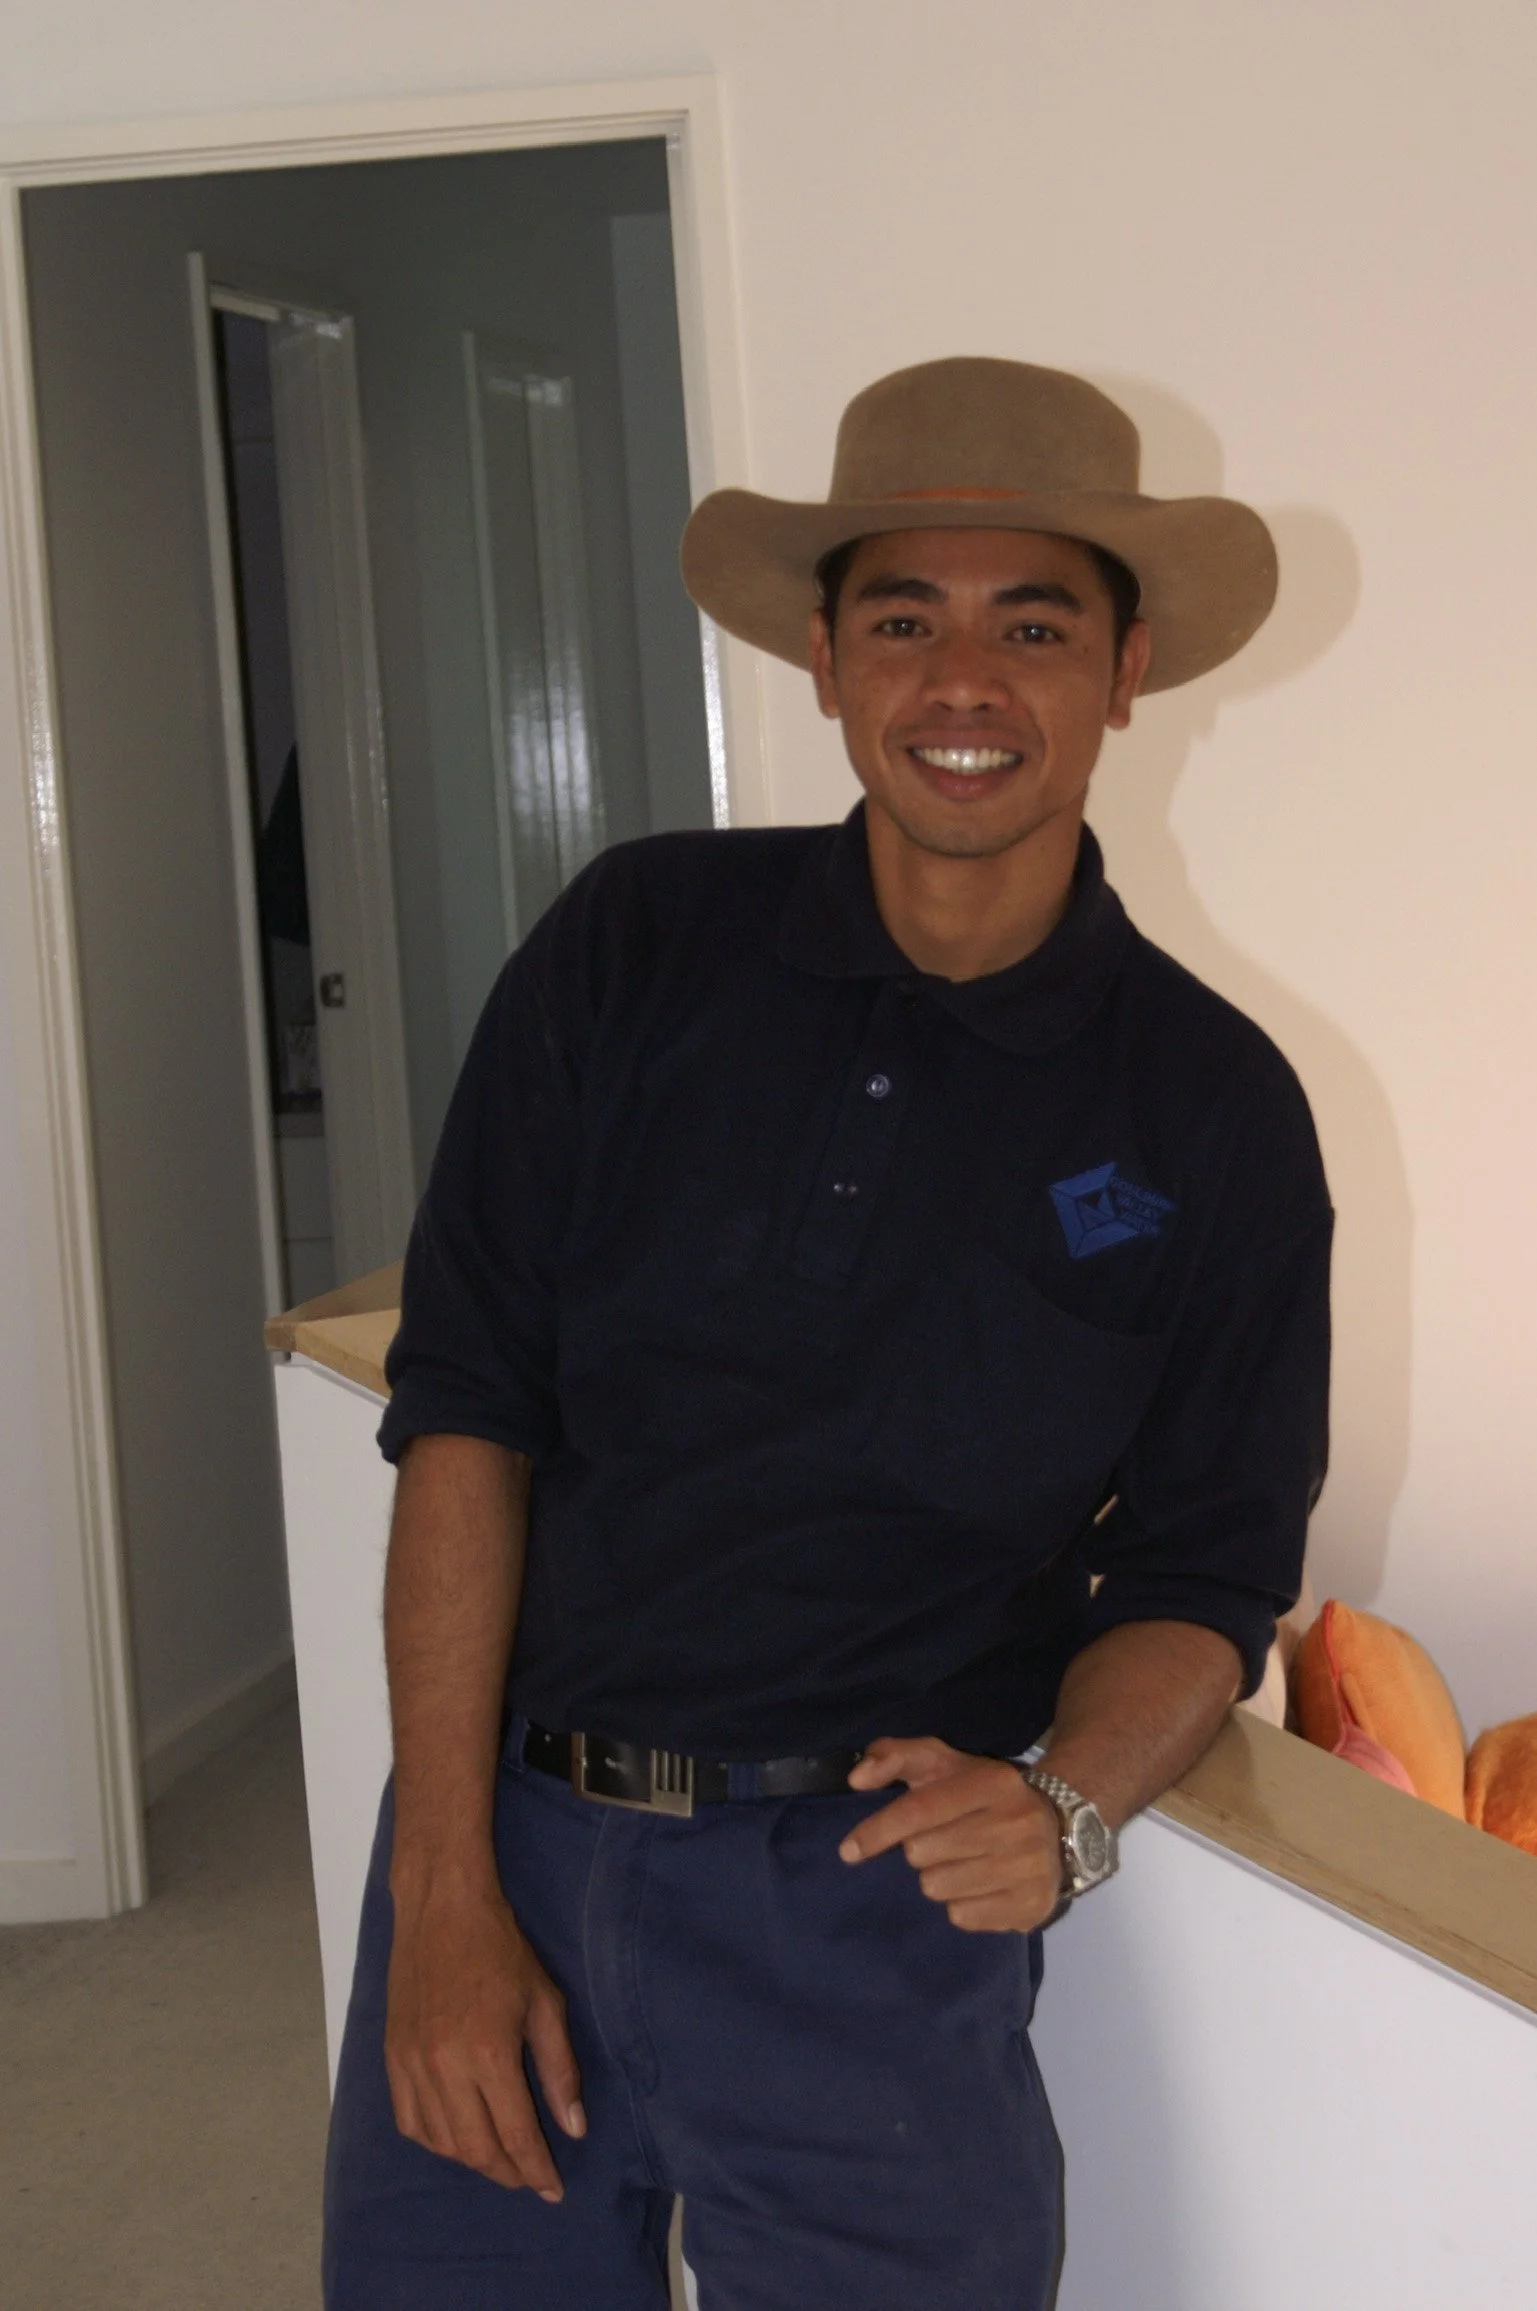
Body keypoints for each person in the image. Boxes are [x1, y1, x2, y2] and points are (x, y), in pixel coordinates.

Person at [322, 358, 1331, 2310]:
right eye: (905, 618)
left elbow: (1209, 1568)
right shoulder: (630, 950)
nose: (966, 683)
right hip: (507, 1849)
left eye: (1033, 623)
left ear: (1126, 670)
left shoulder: (1212, 1115)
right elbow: (466, 1418)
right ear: (822, 657)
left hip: (862, 1926)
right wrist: (439, 1888)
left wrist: (1065, 1813)